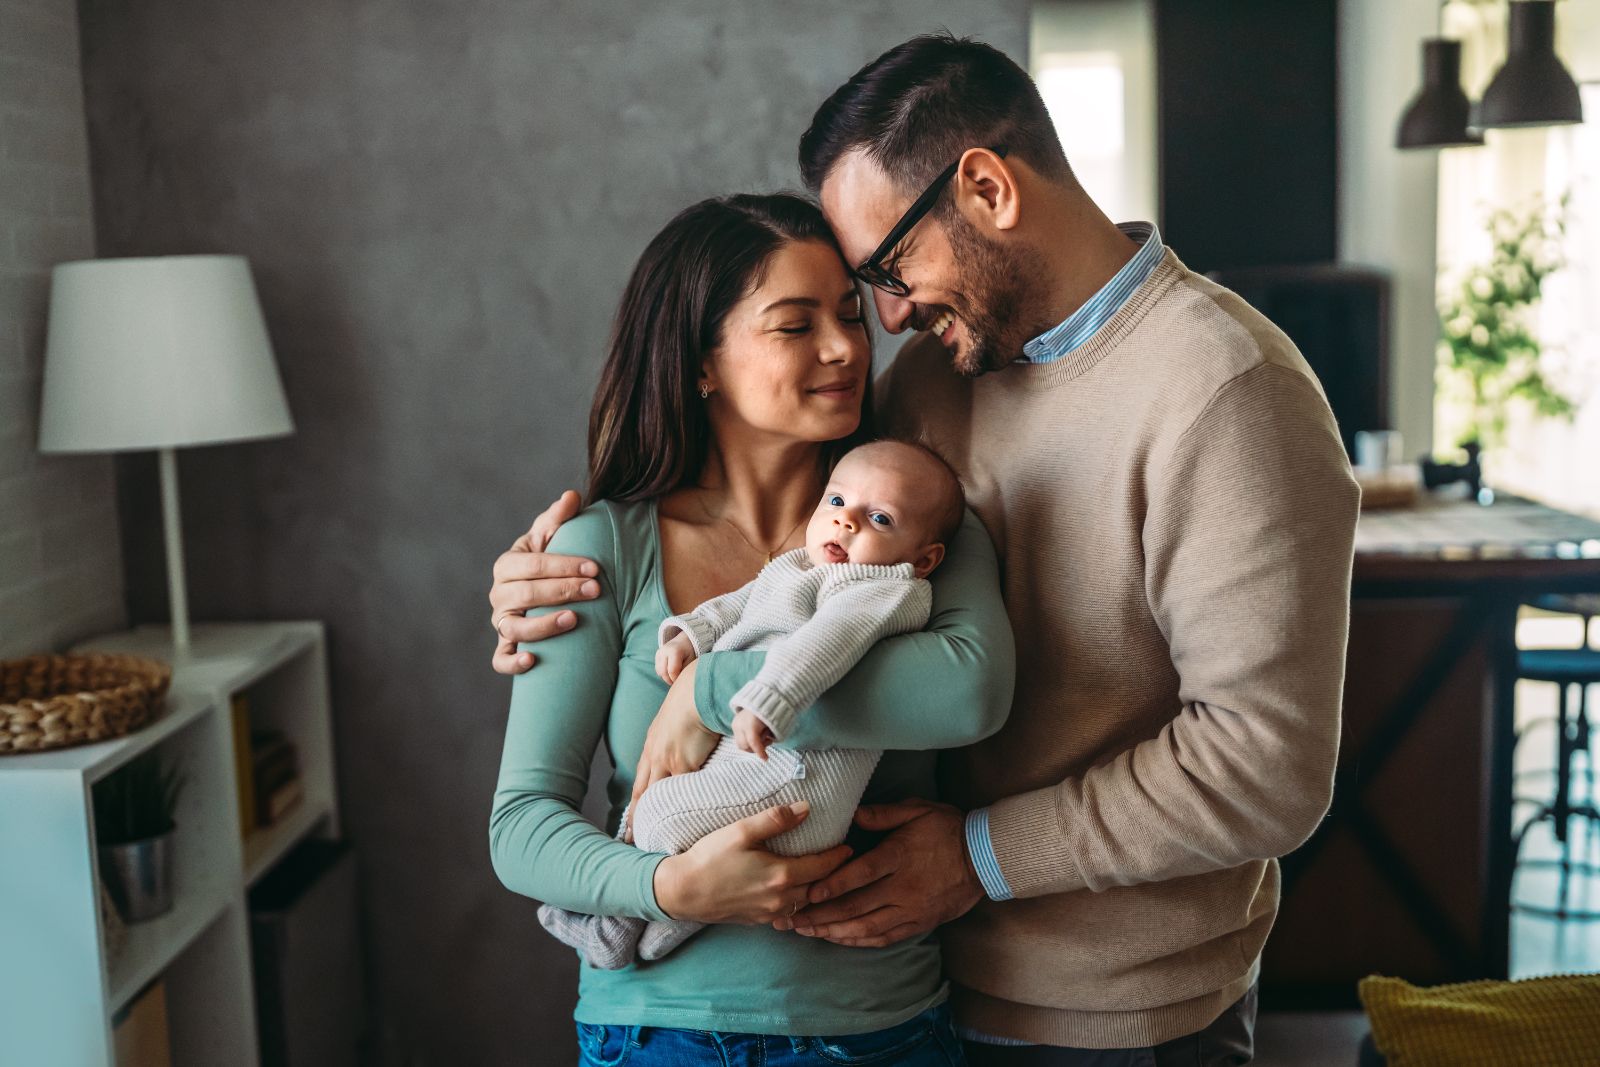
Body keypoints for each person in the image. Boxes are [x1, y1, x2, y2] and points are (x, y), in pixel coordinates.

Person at [490, 34, 1361, 1067]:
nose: (880, 324)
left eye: (883, 276)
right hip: (931, 987)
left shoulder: (1228, 390)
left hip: (1107, 1011)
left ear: (987, 188)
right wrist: (549, 573)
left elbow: (1264, 768)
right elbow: (780, 568)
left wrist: (969, 852)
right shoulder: (931, 383)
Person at [489, 191, 1014, 1065]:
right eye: (793, 325)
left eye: (850, 314)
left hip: (880, 1031)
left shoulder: (911, 525)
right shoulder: (600, 551)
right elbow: (521, 822)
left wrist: (708, 688)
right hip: (657, 1034)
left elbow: (972, 693)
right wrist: (670, 886)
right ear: (702, 363)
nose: (847, 347)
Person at [538, 439, 967, 971]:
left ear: (924, 558)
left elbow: (827, 644)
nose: (847, 523)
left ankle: (616, 930)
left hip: (797, 781)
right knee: (673, 816)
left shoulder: (886, 589)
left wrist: (771, 698)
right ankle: (643, 934)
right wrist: (692, 637)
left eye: (879, 518)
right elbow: (740, 607)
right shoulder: (798, 570)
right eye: (836, 503)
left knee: (661, 815)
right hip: (758, 774)